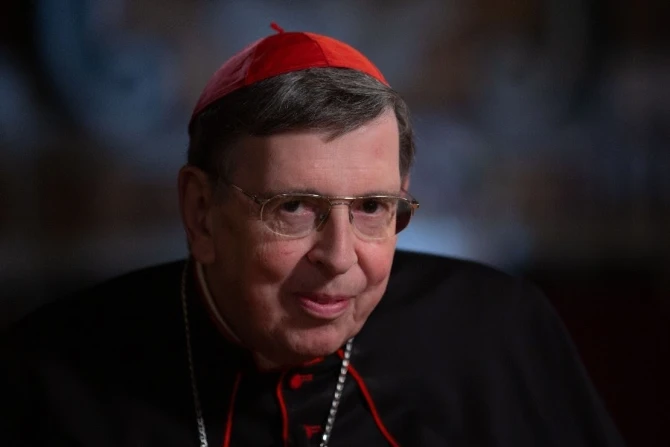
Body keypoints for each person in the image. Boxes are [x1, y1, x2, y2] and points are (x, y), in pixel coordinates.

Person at [2, 25, 625, 447]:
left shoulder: (498, 332)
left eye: (373, 207)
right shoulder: (48, 375)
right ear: (201, 212)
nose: (339, 258)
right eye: (295, 207)